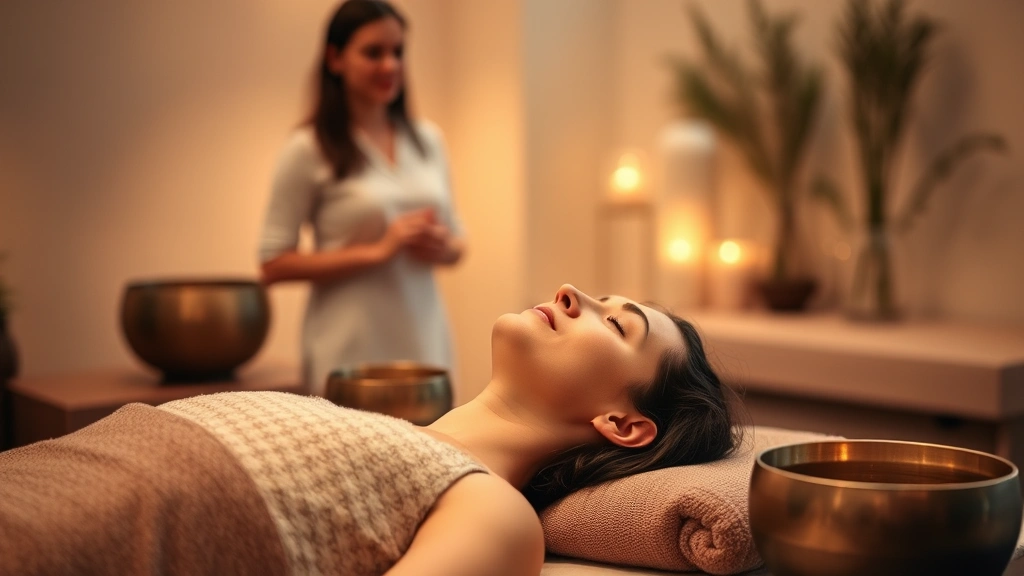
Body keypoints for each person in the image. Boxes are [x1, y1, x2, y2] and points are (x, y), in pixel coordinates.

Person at [0, 284, 738, 576]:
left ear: (623, 424)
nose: (572, 291)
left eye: (616, 323)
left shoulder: (497, 514)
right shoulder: (381, 431)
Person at [258, 0, 464, 394]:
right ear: (335, 59)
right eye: (374, 52)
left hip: (426, 340)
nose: (390, 65)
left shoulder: (428, 141)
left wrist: (442, 246)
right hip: (349, 351)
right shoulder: (308, 148)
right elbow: (272, 263)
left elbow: (459, 245)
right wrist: (378, 251)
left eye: (398, 52)